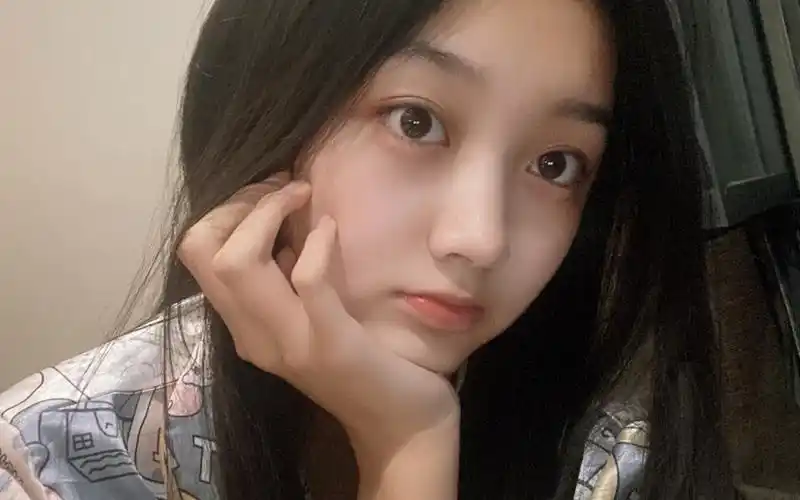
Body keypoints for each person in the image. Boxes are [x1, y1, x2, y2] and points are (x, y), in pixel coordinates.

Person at [0, 0, 737, 498]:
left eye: (555, 164)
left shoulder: (613, 465)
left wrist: (408, 440)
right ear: (268, 122)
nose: (479, 238)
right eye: (416, 121)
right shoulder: (53, 457)